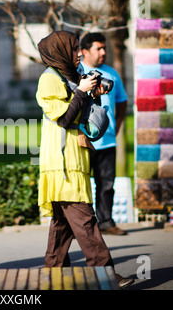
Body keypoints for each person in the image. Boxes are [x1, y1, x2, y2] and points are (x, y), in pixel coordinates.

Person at [36, 30, 134, 289]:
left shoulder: (71, 77)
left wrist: (96, 94)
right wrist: (81, 90)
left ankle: (53, 276)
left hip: (76, 157)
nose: (79, 53)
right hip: (61, 160)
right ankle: (106, 275)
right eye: (74, 48)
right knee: (85, 220)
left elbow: (86, 119)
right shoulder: (49, 80)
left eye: (79, 47)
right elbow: (64, 119)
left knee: (62, 225)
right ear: (59, 52)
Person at [80, 32, 128, 236]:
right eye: (98, 48)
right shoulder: (77, 72)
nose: (103, 52)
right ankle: (82, 226)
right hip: (83, 140)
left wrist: (116, 128)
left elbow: (122, 101)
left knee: (107, 184)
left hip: (107, 140)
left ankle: (106, 222)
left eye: (104, 48)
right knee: (80, 185)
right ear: (84, 51)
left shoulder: (112, 73)